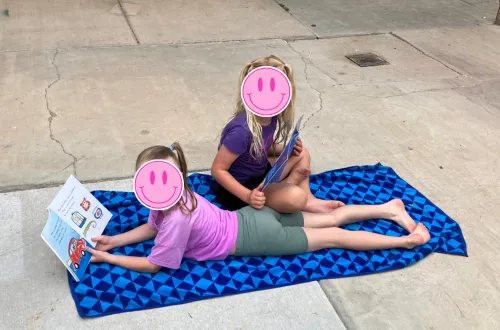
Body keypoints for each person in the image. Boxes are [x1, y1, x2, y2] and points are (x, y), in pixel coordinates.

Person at [85, 143, 431, 273]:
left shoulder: (174, 216)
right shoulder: (180, 193)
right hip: (253, 217)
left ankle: (405, 241)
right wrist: (115, 241)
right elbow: (151, 228)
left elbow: (153, 265)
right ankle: (389, 208)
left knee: (334, 236)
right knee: (332, 218)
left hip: (256, 236)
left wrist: (109, 257)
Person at [211, 55, 344, 213]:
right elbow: (218, 169)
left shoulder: (270, 117)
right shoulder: (241, 131)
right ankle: (291, 185)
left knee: (302, 153)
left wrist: (286, 149)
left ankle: (308, 199)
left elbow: (262, 146)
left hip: (261, 174)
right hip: (238, 191)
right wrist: (247, 196)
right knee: (294, 198)